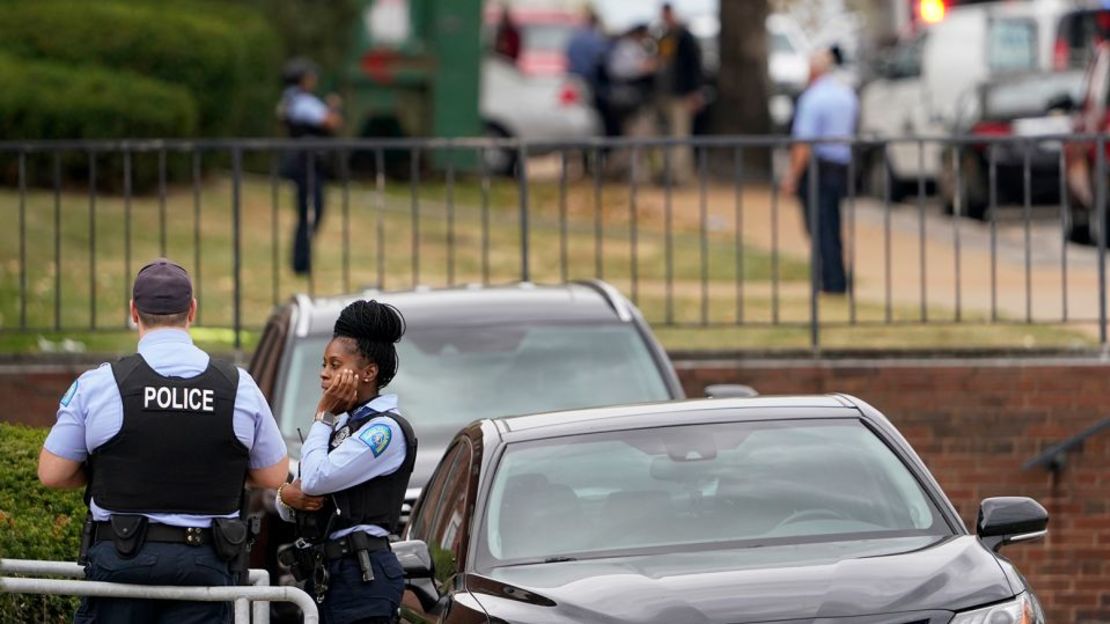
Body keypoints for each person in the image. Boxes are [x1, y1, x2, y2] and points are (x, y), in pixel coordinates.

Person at [37, 258, 290, 623]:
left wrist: (107, 470)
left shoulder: (100, 384)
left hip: (121, 563)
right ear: (192, 310)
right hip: (206, 563)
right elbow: (274, 475)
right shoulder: (238, 387)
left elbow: (53, 473)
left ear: (133, 312)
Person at [274, 300, 416, 623]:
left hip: (363, 576)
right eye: (324, 364)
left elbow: (315, 479)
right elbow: (298, 489)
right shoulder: (340, 425)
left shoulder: (385, 430)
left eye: (335, 365)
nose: (324, 373)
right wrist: (285, 497)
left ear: (369, 372)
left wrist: (322, 415)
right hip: (328, 574)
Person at [779, 49, 859, 295]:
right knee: (832, 225)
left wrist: (792, 175)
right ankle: (837, 277)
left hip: (819, 167)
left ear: (814, 70)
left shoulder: (812, 99)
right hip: (841, 165)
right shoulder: (846, 95)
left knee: (818, 226)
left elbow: (803, 141)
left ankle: (830, 280)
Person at [278, 57, 343, 276]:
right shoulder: (302, 101)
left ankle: (302, 262)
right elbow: (329, 122)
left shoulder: (289, 100)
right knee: (311, 212)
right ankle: (301, 263)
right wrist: (334, 106)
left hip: (304, 163)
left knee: (308, 212)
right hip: (307, 164)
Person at [655, 2, 703, 184]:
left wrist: (694, 92)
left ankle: (680, 176)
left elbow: (695, 66)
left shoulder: (685, 37)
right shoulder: (665, 37)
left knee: (680, 135)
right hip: (666, 94)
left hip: (682, 94)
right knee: (668, 135)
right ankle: (668, 174)